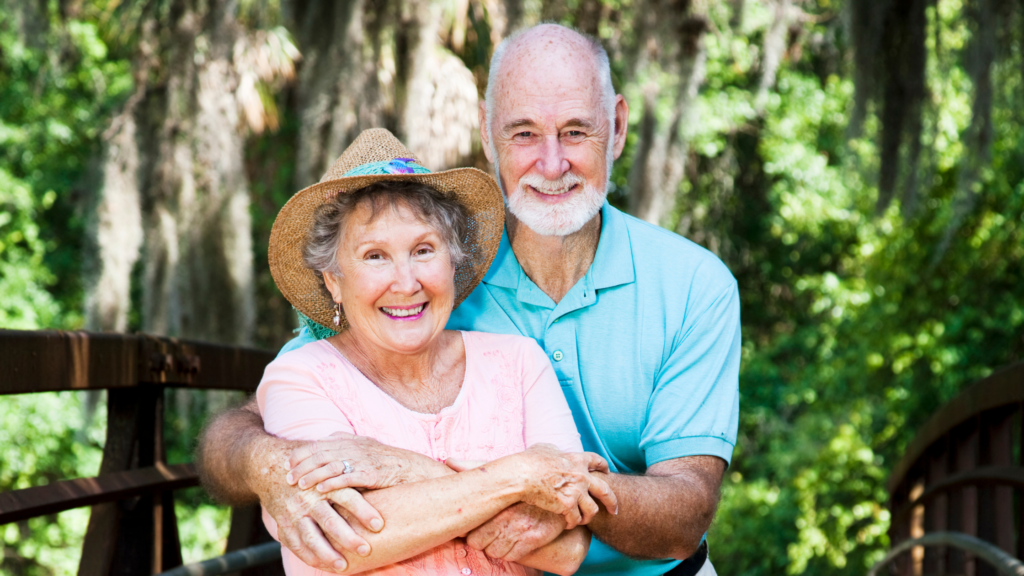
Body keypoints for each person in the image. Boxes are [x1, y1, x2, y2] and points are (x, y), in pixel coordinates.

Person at [200, 23, 740, 576]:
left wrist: (399, 469)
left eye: (576, 132)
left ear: (618, 127)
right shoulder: (430, 281)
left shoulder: (695, 284)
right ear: (487, 135)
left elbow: (685, 510)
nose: (552, 164)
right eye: (524, 133)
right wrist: (268, 465)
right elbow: (249, 422)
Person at [253, 128, 617, 575]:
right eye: (374, 256)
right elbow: (342, 539)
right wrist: (518, 477)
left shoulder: (520, 362)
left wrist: (399, 472)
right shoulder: (300, 376)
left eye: (423, 250)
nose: (406, 283)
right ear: (333, 280)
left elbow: (568, 548)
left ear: (453, 259)